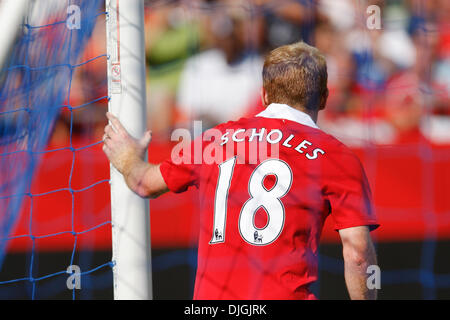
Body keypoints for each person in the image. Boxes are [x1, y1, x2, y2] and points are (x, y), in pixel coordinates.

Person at [102, 42, 379, 300]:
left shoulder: (213, 139)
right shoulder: (336, 156)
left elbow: (144, 183)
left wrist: (127, 157)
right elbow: (357, 254)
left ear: (264, 94)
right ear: (323, 98)